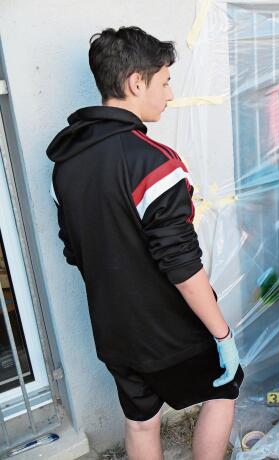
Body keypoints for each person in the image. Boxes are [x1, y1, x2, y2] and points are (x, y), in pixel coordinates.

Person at [47, 27, 242, 460]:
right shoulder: (153, 162)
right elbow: (182, 266)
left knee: (140, 418)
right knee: (226, 386)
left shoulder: (65, 167)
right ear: (137, 82)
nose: (169, 94)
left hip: (113, 332)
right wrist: (222, 333)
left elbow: (75, 251)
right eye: (165, 81)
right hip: (167, 331)